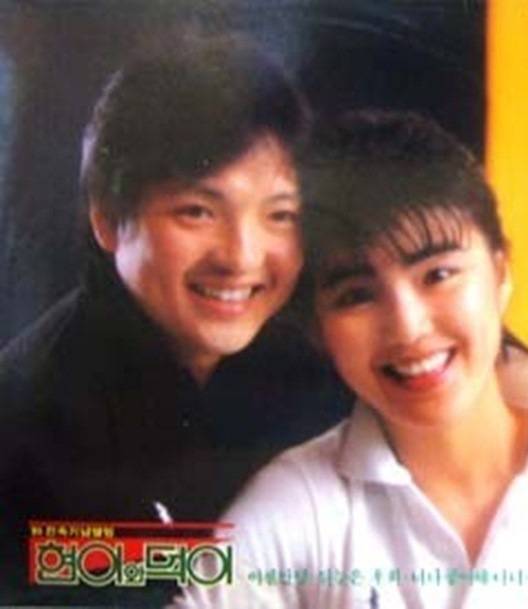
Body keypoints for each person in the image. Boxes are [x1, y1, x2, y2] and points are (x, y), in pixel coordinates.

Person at [175, 110, 528, 609]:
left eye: (438, 275)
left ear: (501, 272)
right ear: (317, 328)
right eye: (357, 295)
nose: (408, 328)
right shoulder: (298, 506)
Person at [0, 37, 350, 605]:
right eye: (197, 211)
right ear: (108, 218)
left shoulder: (318, 374)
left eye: (280, 215)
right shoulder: (29, 421)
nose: (241, 256)